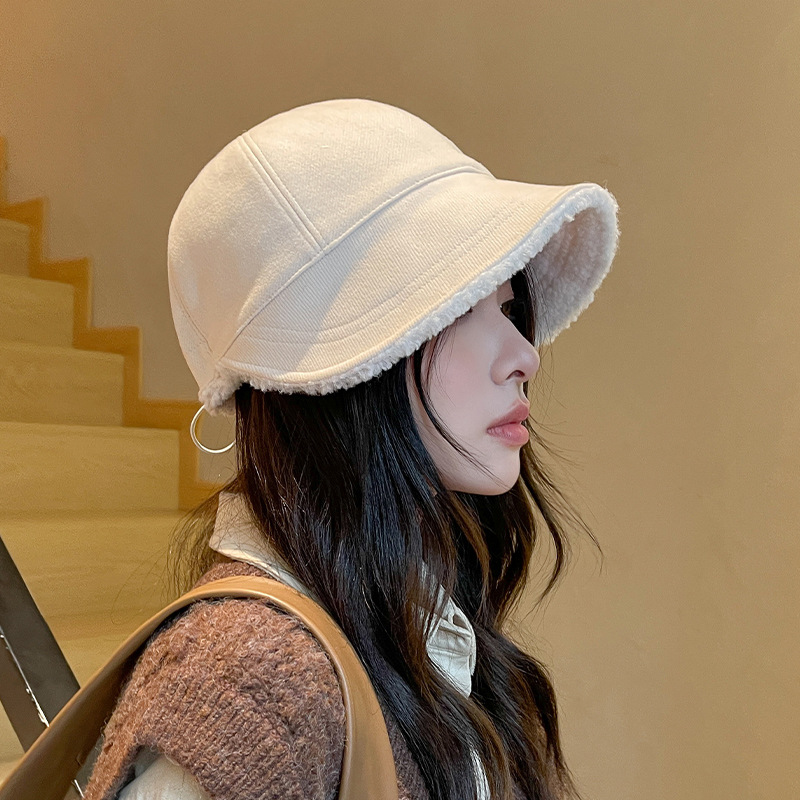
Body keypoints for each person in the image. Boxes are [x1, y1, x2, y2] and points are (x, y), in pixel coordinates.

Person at [84, 98, 619, 800]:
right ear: (341, 373)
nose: (525, 356)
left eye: (510, 307)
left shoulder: (419, 620)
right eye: (460, 308)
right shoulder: (250, 689)